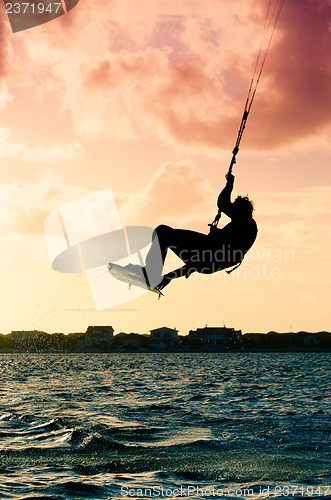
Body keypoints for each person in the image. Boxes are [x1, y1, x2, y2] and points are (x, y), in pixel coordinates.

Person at [127, 173, 257, 291]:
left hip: (206, 254)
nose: (231, 211)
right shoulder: (243, 227)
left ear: (241, 211)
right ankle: (152, 272)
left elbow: (222, 204)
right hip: (206, 254)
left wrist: (230, 183)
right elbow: (198, 264)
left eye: (234, 209)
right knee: (163, 232)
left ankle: (151, 272)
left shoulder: (245, 225)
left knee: (163, 232)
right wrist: (168, 277)